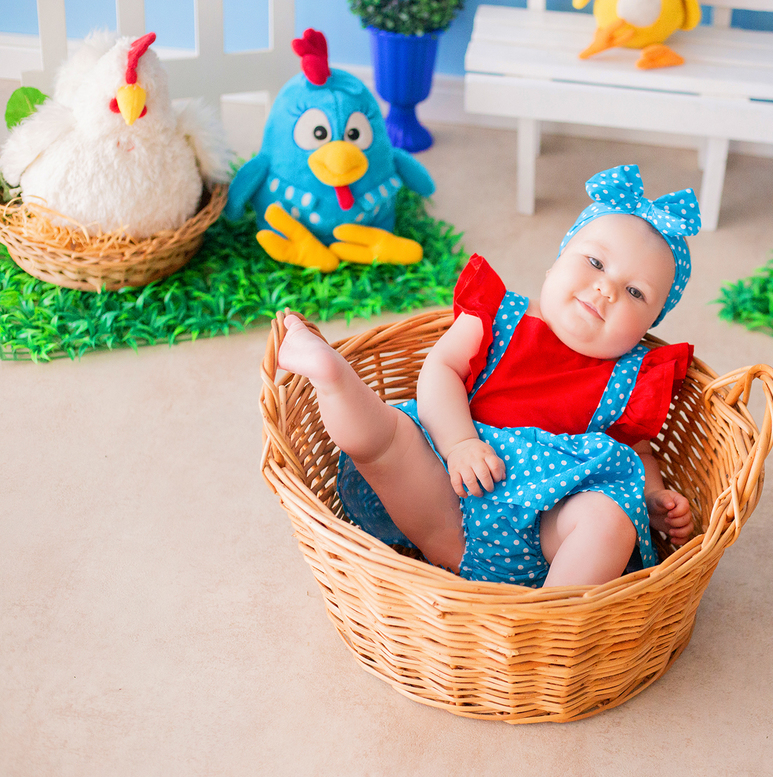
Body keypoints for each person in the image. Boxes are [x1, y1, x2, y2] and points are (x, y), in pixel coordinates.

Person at [277, 165, 700, 588]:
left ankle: (550, 621)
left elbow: (640, 456)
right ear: (556, 263)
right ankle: (331, 376)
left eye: (635, 292)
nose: (606, 289)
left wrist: (652, 499)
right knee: (386, 438)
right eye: (594, 262)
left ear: (647, 327)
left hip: (541, 538)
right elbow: (439, 372)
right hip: (448, 490)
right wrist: (460, 442)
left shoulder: (632, 379)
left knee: (609, 519)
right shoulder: (499, 316)